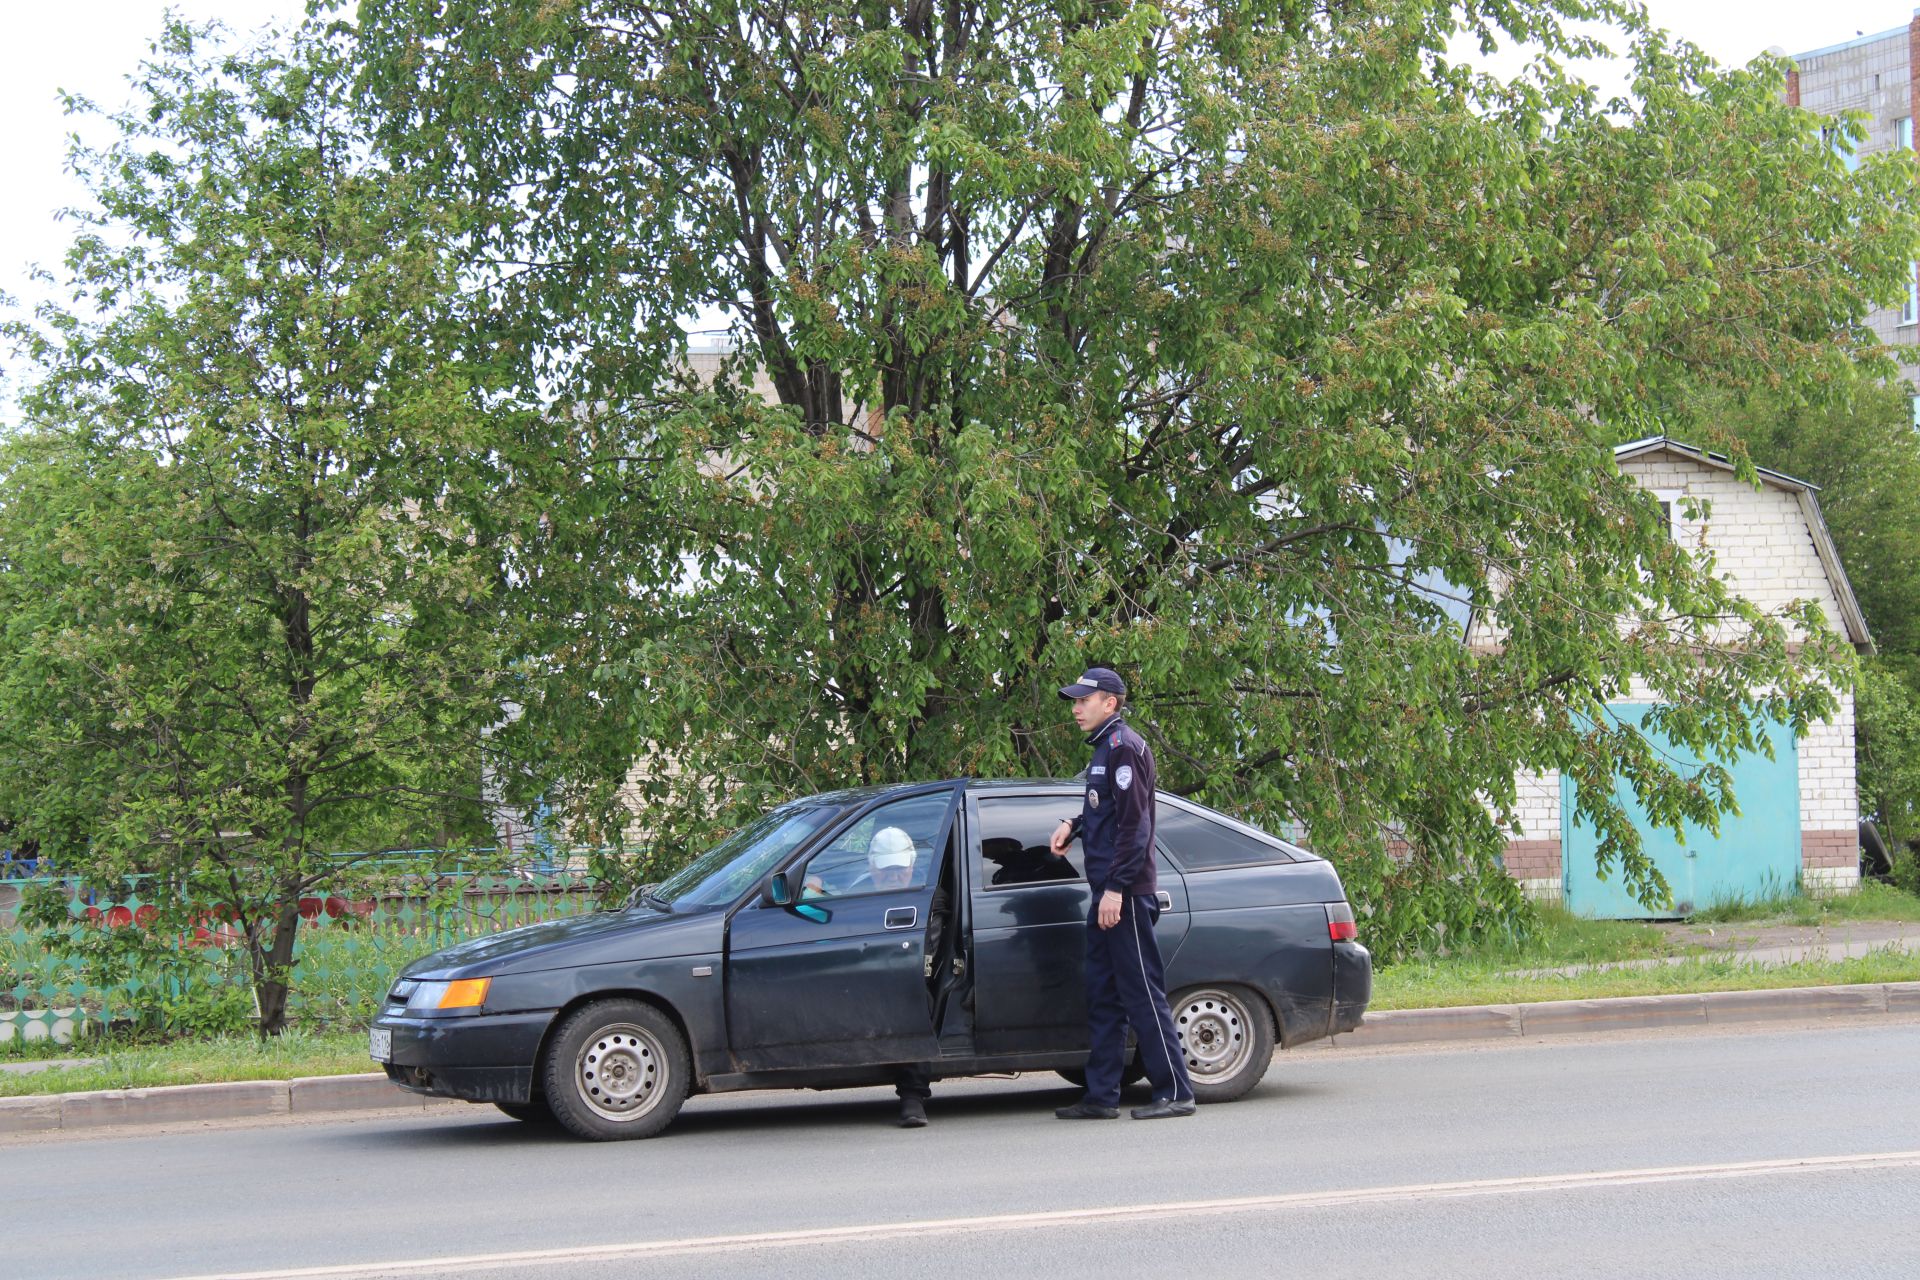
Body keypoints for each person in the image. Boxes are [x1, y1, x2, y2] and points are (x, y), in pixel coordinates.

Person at [1048, 667, 1196, 1120]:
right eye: (1074, 701)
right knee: (1105, 993)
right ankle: (1101, 1096)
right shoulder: (1104, 750)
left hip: (1125, 895)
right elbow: (1105, 809)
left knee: (1141, 994)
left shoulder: (1125, 749)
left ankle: (1176, 1092)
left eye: (1083, 701)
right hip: (1108, 893)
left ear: (1110, 703)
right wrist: (1073, 824)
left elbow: (1136, 828)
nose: (1075, 708)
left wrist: (1115, 890)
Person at [800, 826, 945, 1129]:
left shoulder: (931, 896)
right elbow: (823, 917)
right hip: (861, 974)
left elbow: (926, 952)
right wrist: (808, 890)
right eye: (886, 869)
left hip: (906, 977)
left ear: (912, 865)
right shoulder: (858, 890)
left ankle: (913, 1098)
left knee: (915, 999)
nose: (893, 876)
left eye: (899, 869)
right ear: (871, 867)